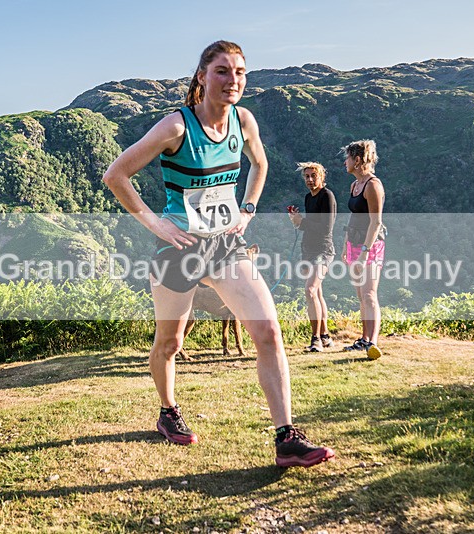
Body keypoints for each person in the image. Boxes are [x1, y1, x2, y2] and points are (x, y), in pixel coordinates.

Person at [102, 40, 334, 468]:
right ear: (202, 77)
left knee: (268, 332)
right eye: (223, 71)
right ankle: (168, 411)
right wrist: (157, 224)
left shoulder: (244, 121)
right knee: (170, 341)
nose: (233, 80)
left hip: (227, 245)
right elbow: (116, 175)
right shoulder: (176, 127)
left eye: (240, 72)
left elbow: (259, 165)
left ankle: (286, 437)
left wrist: (247, 210)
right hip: (180, 249)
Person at [341, 140, 385, 360]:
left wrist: (365, 252)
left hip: (371, 246)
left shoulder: (373, 186)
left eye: (348, 158)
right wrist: (345, 245)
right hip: (354, 243)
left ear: (357, 160)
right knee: (360, 294)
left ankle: (373, 343)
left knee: (369, 294)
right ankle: (364, 338)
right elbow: (354, 217)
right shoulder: (355, 185)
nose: (345, 162)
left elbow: (376, 222)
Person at [288, 162, 336, 352]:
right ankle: (325, 336)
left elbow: (326, 228)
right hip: (307, 248)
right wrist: (297, 221)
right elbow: (306, 226)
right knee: (317, 293)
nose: (309, 180)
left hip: (323, 250)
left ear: (321, 176)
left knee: (310, 290)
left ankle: (315, 338)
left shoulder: (327, 196)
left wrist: (303, 222)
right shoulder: (309, 197)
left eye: (313, 176)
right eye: (306, 176)